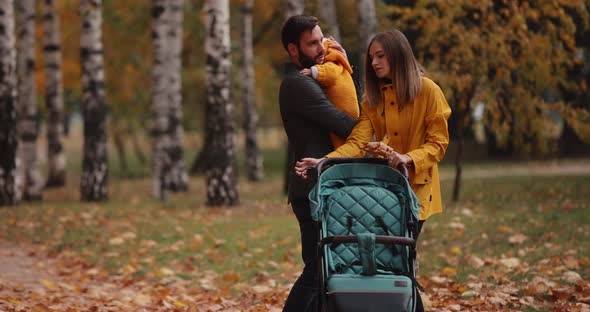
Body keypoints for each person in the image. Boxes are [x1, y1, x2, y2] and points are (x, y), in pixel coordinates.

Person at [296, 28, 451, 253]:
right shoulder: (372, 101)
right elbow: (358, 143)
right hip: (386, 188)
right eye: (371, 58)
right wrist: (323, 161)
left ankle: (407, 287)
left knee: (400, 252)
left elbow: (438, 145)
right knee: (389, 254)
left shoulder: (429, 91)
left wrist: (407, 158)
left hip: (418, 186)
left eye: (380, 56)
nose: (375, 62)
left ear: (398, 55)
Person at [279, 15, 357, 312]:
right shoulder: (298, 84)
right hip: (312, 188)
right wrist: (370, 129)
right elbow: (343, 122)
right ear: (293, 50)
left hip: (324, 186)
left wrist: (347, 70)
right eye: (312, 43)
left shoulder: (319, 77)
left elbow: (350, 105)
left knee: (325, 271)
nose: (321, 47)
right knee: (317, 269)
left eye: (321, 39)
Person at [300, 36, 359, 148]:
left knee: (341, 143)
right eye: (313, 43)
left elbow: (329, 74)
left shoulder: (334, 64)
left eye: (322, 45)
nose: (320, 49)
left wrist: (312, 71)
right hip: (345, 115)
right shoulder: (339, 65)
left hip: (345, 112)